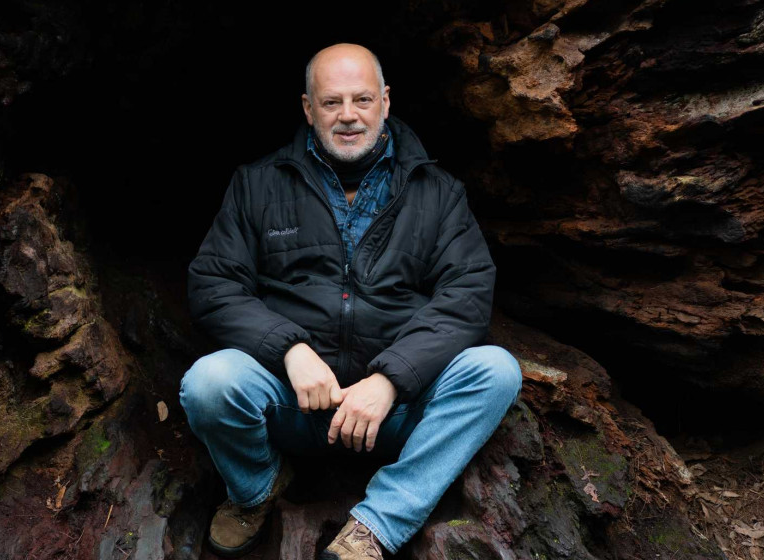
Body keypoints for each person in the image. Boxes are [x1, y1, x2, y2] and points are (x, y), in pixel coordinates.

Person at [179, 43, 522, 560]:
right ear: (307, 108)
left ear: (386, 101)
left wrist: (391, 379)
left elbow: (467, 295)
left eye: (362, 99)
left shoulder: (439, 191)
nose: (348, 116)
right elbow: (213, 283)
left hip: (394, 410)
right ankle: (256, 487)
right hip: (290, 401)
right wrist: (289, 351)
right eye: (332, 102)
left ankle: (377, 524)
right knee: (208, 382)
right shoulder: (257, 184)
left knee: (495, 370)